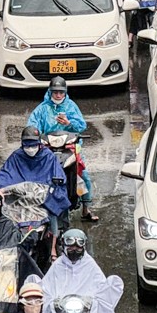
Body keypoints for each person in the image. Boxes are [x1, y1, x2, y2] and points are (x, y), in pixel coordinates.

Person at [26, 78, 98, 223]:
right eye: (55, 92)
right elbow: (32, 126)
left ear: (65, 92)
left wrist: (69, 123)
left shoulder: (71, 107)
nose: (58, 95)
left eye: (61, 92)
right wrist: (35, 135)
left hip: (70, 147)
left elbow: (81, 126)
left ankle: (86, 208)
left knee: (83, 175)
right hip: (48, 147)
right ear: (50, 92)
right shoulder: (42, 109)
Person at [0, 127, 71, 240]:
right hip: (21, 198)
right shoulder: (16, 156)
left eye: (33, 145)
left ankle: (53, 245)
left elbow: (58, 177)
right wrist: (2, 190)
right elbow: (4, 177)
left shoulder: (48, 156)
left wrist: (50, 189)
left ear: (39, 143)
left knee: (53, 210)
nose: (30, 149)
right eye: (27, 145)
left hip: (43, 199)